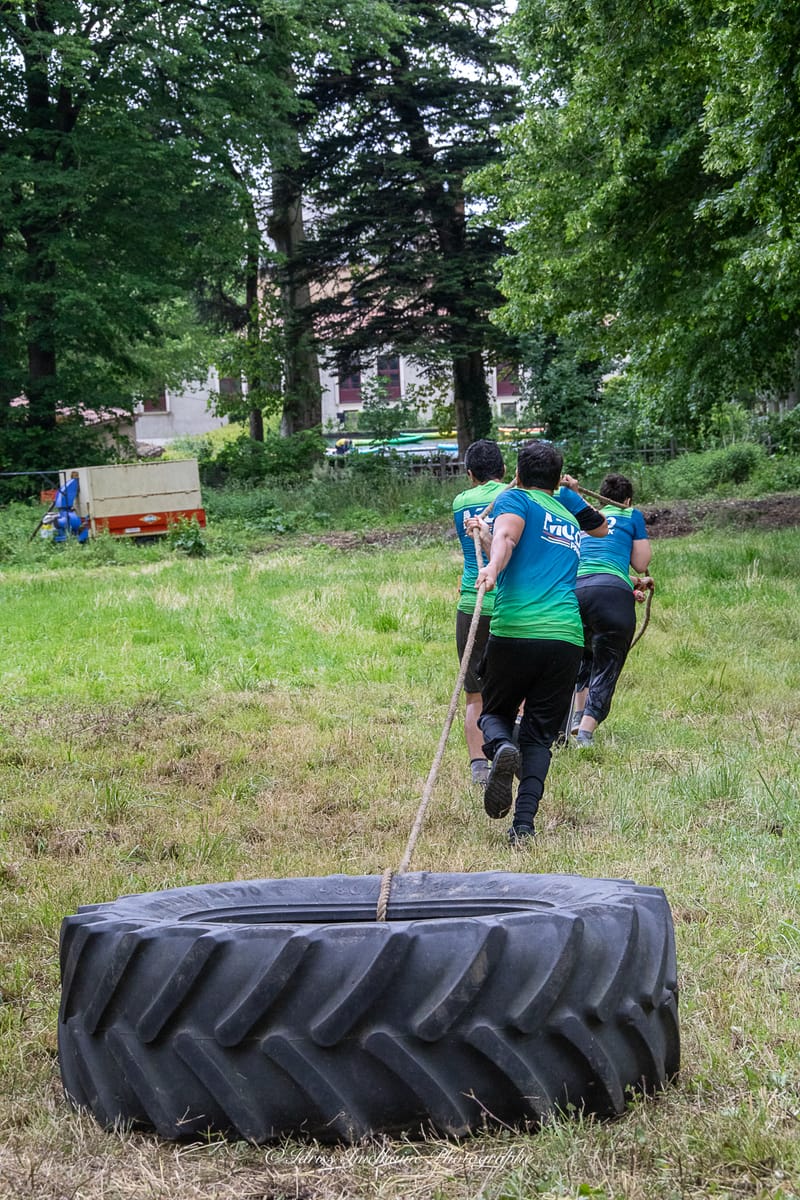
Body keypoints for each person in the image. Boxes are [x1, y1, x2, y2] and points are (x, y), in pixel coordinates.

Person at [470, 440, 607, 846]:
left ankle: (499, 749)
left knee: (493, 714)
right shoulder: (567, 515)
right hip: (566, 638)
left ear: (519, 471)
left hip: (516, 630)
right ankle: (523, 826)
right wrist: (486, 537)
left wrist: (492, 565)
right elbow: (519, 542)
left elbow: (510, 539)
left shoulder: (516, 498)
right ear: (557, 477)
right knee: (540, 737)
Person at [572, 473, 652, 747]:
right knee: (608, 662)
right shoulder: (631, 515)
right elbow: (641, 563)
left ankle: (574, 716)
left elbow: (594, 565)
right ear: (627, 500)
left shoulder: (587, 515)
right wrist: (638, 577)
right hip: (611, 594)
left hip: (575, 590)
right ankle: (585, 731)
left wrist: (635, 584)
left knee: (580, 656)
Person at [452, 439, 507, 785]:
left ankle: (478, 768)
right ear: (503, 471)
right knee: (513, 691)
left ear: (470, 474)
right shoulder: (515, 497)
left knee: (475, 692)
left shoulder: (460, 502)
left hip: (471, 604)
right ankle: (506, 749)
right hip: (507, 603)